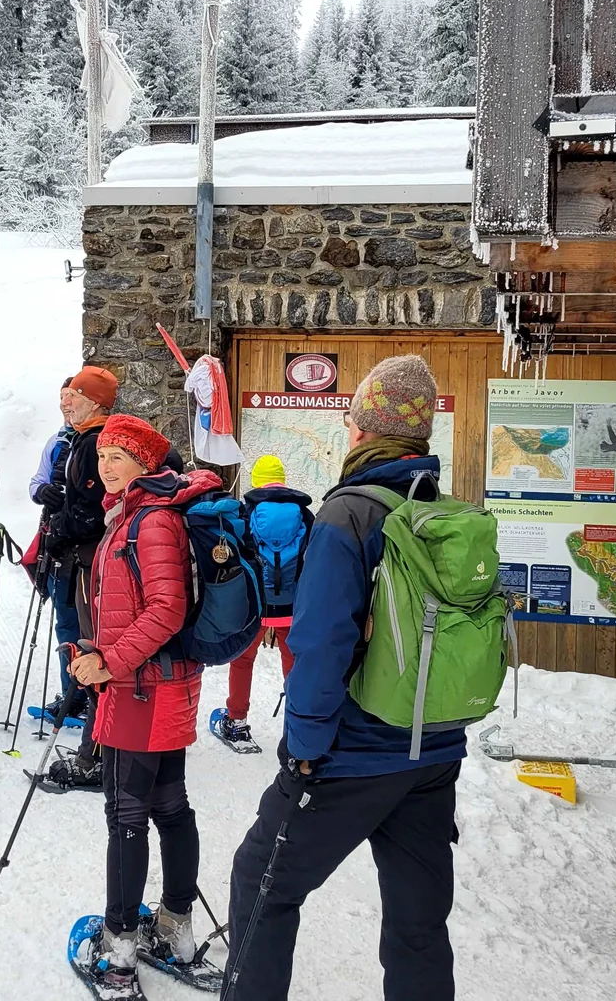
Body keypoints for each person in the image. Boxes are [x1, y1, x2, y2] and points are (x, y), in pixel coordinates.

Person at [226, 355, 464, 1001]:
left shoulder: (348, 515)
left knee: (261, 883)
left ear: (361, 430)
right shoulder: (439, 510)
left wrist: (303, 751)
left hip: (357, 753)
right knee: (419, 924)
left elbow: (321, 643)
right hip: (434, 752)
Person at [66, 414, 218, 995]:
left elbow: (165, 610)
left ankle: (120, 950)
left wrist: (109, 661)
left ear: (146, 465)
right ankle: (175, 931)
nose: (105, 466)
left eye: (118, 457)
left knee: (126, 814)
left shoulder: (151, 521)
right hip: (157, 683)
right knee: (169, 806)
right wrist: (97, 648)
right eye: (102, 456)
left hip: (140, 689)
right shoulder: (135, 515)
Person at [33, 366, 118, 779]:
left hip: (88, 559)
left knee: (89, 643)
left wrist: (58, 532)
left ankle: (96, 751)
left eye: (75, 396)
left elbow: (89, 511)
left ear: (95, 402)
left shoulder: (91, 443)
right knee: (87, 641)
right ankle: (94, 740)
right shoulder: (89, 439)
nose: (66, 401)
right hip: (89, 555)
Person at [215, 454, 312, 748]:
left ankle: (236, 722)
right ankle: (297, 727)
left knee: (242, 661)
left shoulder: (246, 513)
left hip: (255, 607)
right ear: (281, 480)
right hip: (293, 608)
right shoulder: (304, 515)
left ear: (256, 481)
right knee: (294, 666)